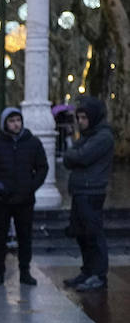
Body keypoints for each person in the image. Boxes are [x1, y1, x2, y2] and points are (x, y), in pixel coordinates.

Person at [0, 107, 49, 286]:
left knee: (25, 236)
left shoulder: (33, 143)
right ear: (5, 124)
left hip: (24, 199)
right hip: (2, 199)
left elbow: (42, 167)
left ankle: (25, 271)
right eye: (12, 121)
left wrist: (31, 187)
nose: (16, 124)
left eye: (18, 120)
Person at [62, 96, 114, 291]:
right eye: (79, 118)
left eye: (84, 118)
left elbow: (80, 156)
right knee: (82, 234)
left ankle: (98, 275)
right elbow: (71, 158)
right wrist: (73, 155)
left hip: (92, 190)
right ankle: (88, 271)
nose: (81, 122)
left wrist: (73, 155)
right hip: (81, 189)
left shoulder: (102, 137)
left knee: (93, 234)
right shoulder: (88, 135)